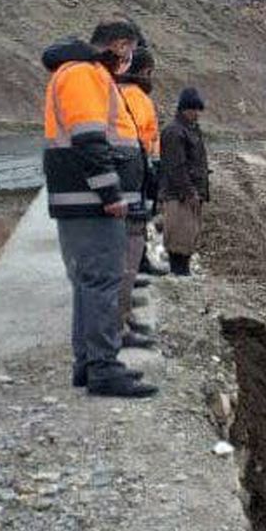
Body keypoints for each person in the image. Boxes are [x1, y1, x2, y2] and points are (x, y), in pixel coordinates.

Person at [42, 21, 158, 397]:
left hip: (81, 201)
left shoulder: (77, 72)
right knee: (103, 281)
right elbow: (90, 140)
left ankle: (87, 365)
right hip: (91, 204)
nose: (129, 60)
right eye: (129, 50)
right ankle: (104, 368)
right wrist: (110, 195)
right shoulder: (85, 74)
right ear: (120, 46)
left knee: (88, 284)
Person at [115, 46, 161, 346]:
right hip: (134, 183)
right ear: (144, 71)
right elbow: (144, 141)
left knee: (127, 252)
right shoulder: (136, 98)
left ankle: (123, 315)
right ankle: (120, 321)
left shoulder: (118, 93)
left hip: (130, 182)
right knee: (127, 253)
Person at [159, 87, 209, 276]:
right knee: (178, 238)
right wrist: (190, 191)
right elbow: (176, 167)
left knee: (187, 237)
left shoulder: (189, 130)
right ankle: (179, 274)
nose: (197, 114)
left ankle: (182, 272)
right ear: (184, 109)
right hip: (179, 195)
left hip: (187, 194)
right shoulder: (175, 132)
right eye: (194, 110)